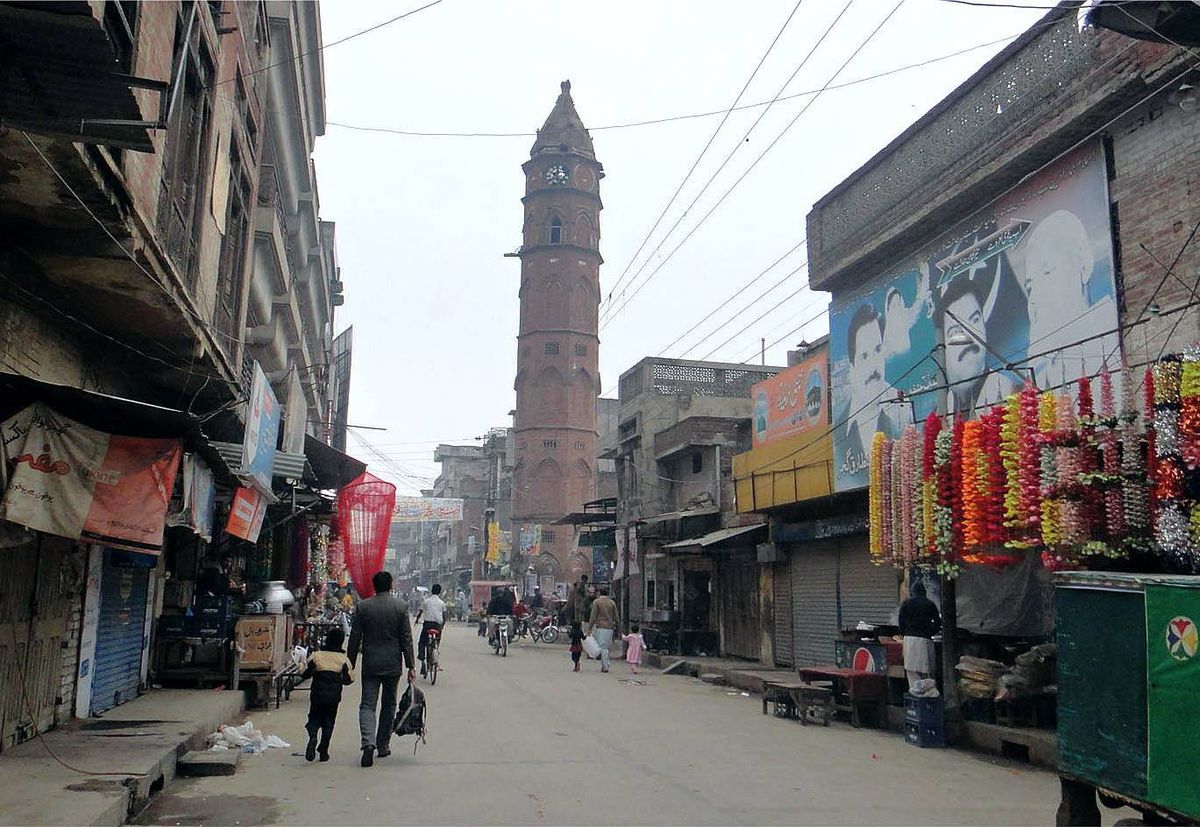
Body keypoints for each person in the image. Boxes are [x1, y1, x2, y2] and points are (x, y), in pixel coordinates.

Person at [347, 571, 415, 768]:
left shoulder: (364, 606)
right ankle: (383, 745)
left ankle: (368, 743)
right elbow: (406, 638)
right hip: (392, 664)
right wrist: (411, 665)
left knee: (367, 705)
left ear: (374, 586)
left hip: (371, 663)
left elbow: (355, 636)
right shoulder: (400, 607)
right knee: (389, 704)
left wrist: (350, 663)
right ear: (391, 585)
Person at [842, 304, 912, 475]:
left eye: (877, 350)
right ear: (852, 368)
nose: (874, 366)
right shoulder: (840, 430)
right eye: (864, 356)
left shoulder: (902, 408)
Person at [935, 275, 1015, 415]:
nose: (969, 337)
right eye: (956, 332)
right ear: (942, 347)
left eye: (975, 320)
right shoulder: (940, 411)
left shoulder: (1010, 392)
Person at [301, 627, 353, 763]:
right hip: (333, 697)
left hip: (317, 694)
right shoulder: (343, 659)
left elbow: (305, 673)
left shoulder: (317, 655)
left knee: (314, 718)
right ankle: (323, 750)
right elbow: (349, 680)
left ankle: (313, 736)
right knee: (329, 722)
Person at [898, 582, 942, 690]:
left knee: (911, 670)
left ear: (912, 592)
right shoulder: (930, 604)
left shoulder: (906, 603)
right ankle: (928, 693)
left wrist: (904, 634)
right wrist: (929, 633)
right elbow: (938, 624)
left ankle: (915, 692)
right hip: (925, 640)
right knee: (927, 670)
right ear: (924, 592)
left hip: (909, 640)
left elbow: (901, 623)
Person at [414, 583, 446, 678]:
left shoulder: (426, 601)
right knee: (437, 639)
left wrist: (416, 620)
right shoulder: (442, 603)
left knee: (421, 643)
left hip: (427, 625)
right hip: (437, 626)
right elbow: (444, 617)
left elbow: (420, 612)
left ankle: (423, 661)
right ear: (439, 592)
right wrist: (442, 625)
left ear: (432, 591)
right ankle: (435, 648)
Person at [585, 588, 619, 673]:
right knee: (606, 646)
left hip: (600, 626)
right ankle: (606, 663)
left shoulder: (597, 602)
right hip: (610, 627)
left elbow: (593, 616)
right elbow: (616, 616)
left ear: (600, 593)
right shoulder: (612, 602)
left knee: (602, 646)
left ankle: (605, 665)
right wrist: (618, 627)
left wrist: (589, 628)